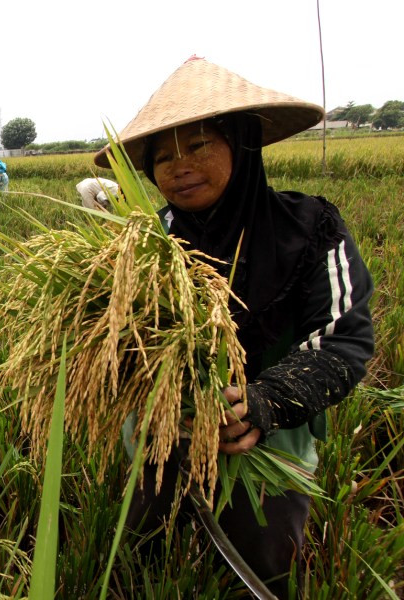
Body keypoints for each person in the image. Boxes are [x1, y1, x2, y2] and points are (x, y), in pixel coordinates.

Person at [94, 56, 374, 597]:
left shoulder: (311, 228)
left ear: (241, 143)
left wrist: (266, 402)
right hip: (162, 430)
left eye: (198, 145)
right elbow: (114, 337)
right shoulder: (146, 244)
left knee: (263, 566)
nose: (178, 166)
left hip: (263, 440)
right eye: (162, 156)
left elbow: (344, 338)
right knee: (146, 553)